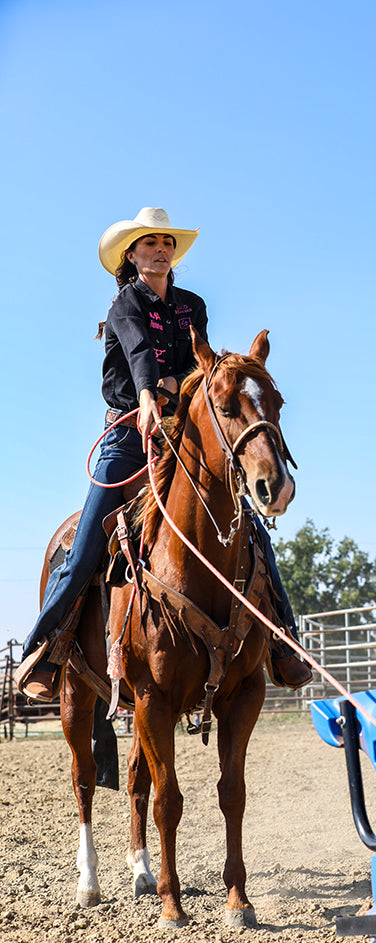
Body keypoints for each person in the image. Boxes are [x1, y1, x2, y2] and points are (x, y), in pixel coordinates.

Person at [17, 207, 310, 702]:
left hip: (180, 433)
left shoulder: (191, 306)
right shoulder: (124, 306)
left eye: (166, 243)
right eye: (149, 243)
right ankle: (46, 648)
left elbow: (198, 365)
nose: (160, 249)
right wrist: (152, 393)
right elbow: (137, 354)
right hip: (128, 434)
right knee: (88, 539)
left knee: (251, 530)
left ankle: (284, 642)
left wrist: (182, 387)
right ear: (131, 255)